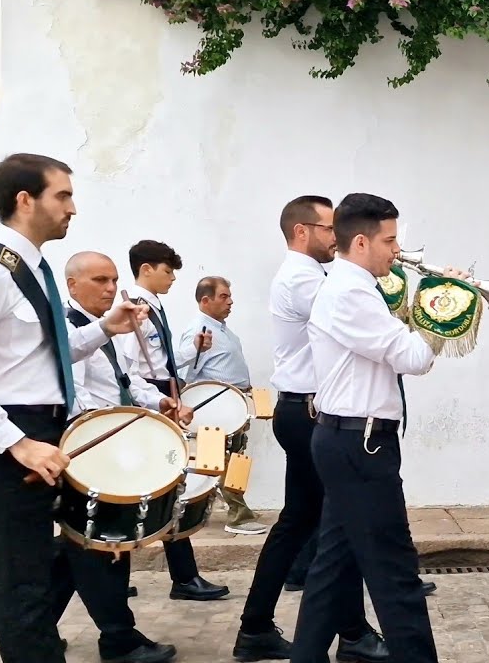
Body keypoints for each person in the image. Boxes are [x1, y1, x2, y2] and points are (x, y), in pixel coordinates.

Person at [0, 153, 148, 663]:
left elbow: (42, 352)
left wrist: (103, 329)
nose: (73, 208)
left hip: (29, 430)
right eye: (63, 196)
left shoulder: (31, 269)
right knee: (24, 590)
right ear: (25, 200)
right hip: (0, 437)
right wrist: (18, 442)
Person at [288, 193, 466, 663]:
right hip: (359, 443)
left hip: (348, 438)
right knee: (396, 574)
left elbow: (390, 344)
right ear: (362, 242)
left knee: (332, 568)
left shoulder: (358, 287)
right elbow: (412, 358)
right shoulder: (350, 292)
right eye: (389, 241)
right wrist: (445, 306)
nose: (396, 250)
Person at [234, 195, 385, 663]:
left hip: (303, 410)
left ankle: (257, 625)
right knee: (337, 523)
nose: (334, 237)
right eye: (327, 228)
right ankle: (353, 633)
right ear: (302, 231)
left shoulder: (314, 276)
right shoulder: (304, 278)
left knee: (304, 522)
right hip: (308, 413)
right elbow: (360, 316)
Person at [55, 250, 181, 663]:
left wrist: (159, 401)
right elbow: (77, 399)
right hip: (89, 453)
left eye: (112, 280)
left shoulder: (101, 328)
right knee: (99, 544)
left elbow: (126, 381)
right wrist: (110, 433)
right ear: (72, 284)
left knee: (86, 547)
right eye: (98, 281)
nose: (110, 288)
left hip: (109, 445)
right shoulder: (66, 330)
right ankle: (118, 639)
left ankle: (43, 628)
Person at [116, 239, 228, 602]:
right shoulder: (133, 308)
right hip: (148, 406)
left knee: (162, 489)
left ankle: (172, 577)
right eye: (167, 271)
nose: (173, 279)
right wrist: (158, 404)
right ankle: (176, 577)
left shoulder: (153, 307)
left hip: (160, 398)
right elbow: (130, 369)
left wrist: (191, 350)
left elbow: (161, 361)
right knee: (158, 489)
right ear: (145, 269)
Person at [181, 275, 269, 536]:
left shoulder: (221, 329)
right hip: (216, 407)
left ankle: (229, 510)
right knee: (223, 461)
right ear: (205, 300)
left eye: (230, 296)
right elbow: (185, 368)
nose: (230, 301)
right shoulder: (200, 330)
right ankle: (238, 515)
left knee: (234, 459)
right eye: (224, 296)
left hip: (234, 404)